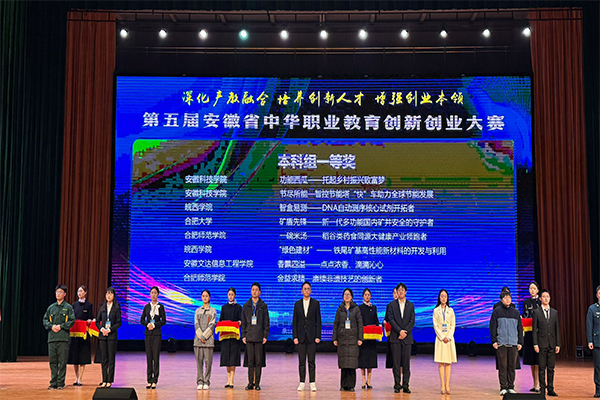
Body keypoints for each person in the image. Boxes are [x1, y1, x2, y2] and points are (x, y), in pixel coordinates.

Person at [490, 290, 523, 396]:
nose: (508, 299)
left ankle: (511, 386)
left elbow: (520, 328)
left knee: (512, 366)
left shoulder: (515, 312)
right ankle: (503, 387)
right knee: (502, 366)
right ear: (501, 300)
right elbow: (493, 327)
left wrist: (520, 342)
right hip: (501, 343)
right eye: (505, 297)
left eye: (509, 297)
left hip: (513, 343)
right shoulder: (497, 311)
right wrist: (494, 341)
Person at [43, 284, 75, 390]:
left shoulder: (68, 307)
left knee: (62, 362)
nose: (58, 294)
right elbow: (45, 320)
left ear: (64, 294)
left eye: (60, 292)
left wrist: (61, 326)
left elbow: (72, 321)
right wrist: (51, 326)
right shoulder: (51, 308)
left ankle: (60, 382)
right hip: (52, 338)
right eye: (57, 292)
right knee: (53, 362)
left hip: (63, 338)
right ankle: (53, 382)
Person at [292, 281, 321, 392]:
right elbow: (295, 322)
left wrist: (318, 336)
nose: (306, 290)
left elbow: (319, 321)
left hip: (312, 337)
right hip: (300, 337)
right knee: (301, 361)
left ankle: (312, 383)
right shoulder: (297, 304)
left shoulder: (315, 303)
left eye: (308, 288)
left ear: (311, 290)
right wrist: (295, 336)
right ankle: (302, 382)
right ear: (302, 290)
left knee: (311, 361)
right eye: (305, 288)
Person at [333, 288, 363, 391]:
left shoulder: (356, 309)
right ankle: (343, 385)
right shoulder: (340, 309)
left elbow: (360, 324)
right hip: (342, 339)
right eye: (345, 294)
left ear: (351, 297)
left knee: (352, 364)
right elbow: (336, 324)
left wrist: (360, 338)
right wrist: (335, 338)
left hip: (353, 339)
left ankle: (351, 386)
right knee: (344, 363)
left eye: (348, 294)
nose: (347, 296)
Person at [387, 282, 415, 393]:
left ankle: (406, 385)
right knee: (396, 363)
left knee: (406, 364)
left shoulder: (411, 305)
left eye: (402, 290)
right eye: (399, 290)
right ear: (397, 292)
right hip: (395, 338)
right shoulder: (392, 305)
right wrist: (399, 331)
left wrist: (405, 332)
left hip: (407, 339)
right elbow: (391, 319)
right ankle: (397, 385)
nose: (401, 292)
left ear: (405, 292)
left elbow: (412, 321)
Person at [242, 282, 270, 391]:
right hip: (249, 336)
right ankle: (250, 383)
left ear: (260, 292)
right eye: (253, 290)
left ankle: (257, 383)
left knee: (258, 362)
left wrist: (265, 335)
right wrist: (244, 335)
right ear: (251, 291)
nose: (254, 292)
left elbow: (266, 322)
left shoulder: (263, 306)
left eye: (256, 290)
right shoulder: (246, 306)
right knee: (250, 362)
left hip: (259, 337)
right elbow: (244, 322)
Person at [533, 289, 560, 397]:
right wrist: (535, 344)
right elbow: (534, 330)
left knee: (551, 368)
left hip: (552, 344)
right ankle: (542, 389)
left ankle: (551, 389)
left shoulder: (554, 312)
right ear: (540, 298)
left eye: (547, 297)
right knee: (542, 368)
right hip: (541, 344)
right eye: (544, 297)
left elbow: (557, 329)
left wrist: (558, 344)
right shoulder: (537, 312)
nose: (546, 298)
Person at [141, 286, 167, 389]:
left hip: (156, 334)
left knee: (155, 357)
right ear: (150, 294)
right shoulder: (147, 306)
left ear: (158, 294)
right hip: (148, 334)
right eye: (152, 293)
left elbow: (164, 321)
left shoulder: (161, 307)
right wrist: (148, 324)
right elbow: (142, 320)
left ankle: (155, 380)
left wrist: (155, 325)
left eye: (155, 293)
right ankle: (149, 380)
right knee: (149, 357)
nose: (153, 295)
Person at [67, 285, 93, 386]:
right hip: (74, 334)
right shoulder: (74, 305)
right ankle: (76, 377)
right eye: (78, 291)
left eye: (81, 291)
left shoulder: (89, 305)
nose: (79, 293)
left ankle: (80, 378)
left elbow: (91, 317)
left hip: (84, 335)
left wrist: (90, 320)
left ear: (85, 293)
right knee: (75, 357)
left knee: (82, 357)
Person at [96, 287, 122, 388]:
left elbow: (119, 322)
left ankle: (109, 380)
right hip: (103, 336)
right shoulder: (102, 307)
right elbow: (97, 321)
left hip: (112, 336)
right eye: (107, 293)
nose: (109, 295)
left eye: (111, 294)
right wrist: (102, 329)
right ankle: (104, 380)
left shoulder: (117, 307)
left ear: (114, 296)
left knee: (111, 359)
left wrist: (110, 330)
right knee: (104, 359)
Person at [433, 289, 457, 395]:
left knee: (448, 362)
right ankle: (442, 385)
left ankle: (447, 385)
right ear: (439, 297)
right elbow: (435, 326)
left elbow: (453, 325)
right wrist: (442, 337)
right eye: (442, 296)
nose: (443, 298)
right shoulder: (436, 310)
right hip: (440, 339)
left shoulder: (451, 311)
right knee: (441, 362)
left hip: (449, 339)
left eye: (445, 296)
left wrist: (448, 336)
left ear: (447, 298)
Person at [220, 287, 243, 388]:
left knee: (233, 358)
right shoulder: (224, 307)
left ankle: (232, 380)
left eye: (232, 295)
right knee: (226, 358)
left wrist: (239, 322)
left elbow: (241, 320)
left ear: (235, 295)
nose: (230, 296)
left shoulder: (239, 307)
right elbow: (221, 320)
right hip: (225, 337)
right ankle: (228, 379)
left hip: (234, 337)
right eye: (229, 294)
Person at [195, 289, 216, 390]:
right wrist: (200, 337)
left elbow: (212, 325)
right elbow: (196, 324)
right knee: (199, 362)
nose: (205, 298)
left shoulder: (213, 311)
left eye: (206, 296)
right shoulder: (197, 311)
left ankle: (206, 381)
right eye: (203, 296)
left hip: (208, 341)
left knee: (208, 362)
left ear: (209, 297)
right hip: (198, 341)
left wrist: (204, 337)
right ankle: (200, 381)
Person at [522, 281, 542, 392]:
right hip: (529, 333)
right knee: (531, 361)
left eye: (534, 288)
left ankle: (539, 384)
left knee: (538, 361)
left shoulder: (541, 302)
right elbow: (525, 316)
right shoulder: (526, 302)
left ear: (538, 290)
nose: (532, 290)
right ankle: (535, 384)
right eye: (530, 288)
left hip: (539, 334)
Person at [358, 288, 379, 390]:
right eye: (365, 295)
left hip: (372, 338)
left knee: (371, 360)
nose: (367, 296)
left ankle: (369, 381)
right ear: (363, 296)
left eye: (368, 295)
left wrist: (379, 327)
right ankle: (363, 381)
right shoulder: (359, 308)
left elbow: (376, 321)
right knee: (362, 360)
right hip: (363, 338)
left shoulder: (373, 308)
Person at [587, 285, 600, 398]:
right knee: (598, 367)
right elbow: (589, 325)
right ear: (597, 295)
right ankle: (598, 389)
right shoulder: (592, 308)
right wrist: (590, 341)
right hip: (597, 342)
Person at [384, 287, 398, 370]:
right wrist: (384, 322)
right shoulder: (389, 306)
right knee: (392, 359)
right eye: (394, 293)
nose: (396, 295)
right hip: (391, 335)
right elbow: (386, 318)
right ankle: (395, 377)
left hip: (400, 335)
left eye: (397, 293)